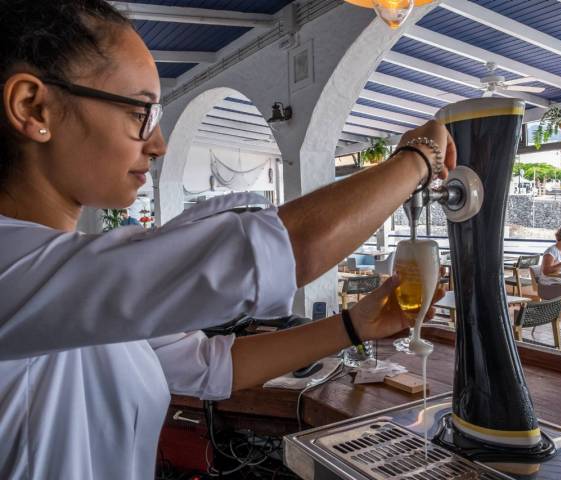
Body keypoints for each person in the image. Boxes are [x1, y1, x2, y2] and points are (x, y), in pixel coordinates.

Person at [0, 1, 456, 478]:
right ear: (34, 107)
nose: (158, 146)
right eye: (140, 113)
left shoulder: (72, 282)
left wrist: (353, 326)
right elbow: (279, 249)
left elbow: (209, 366)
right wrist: (417, 158)